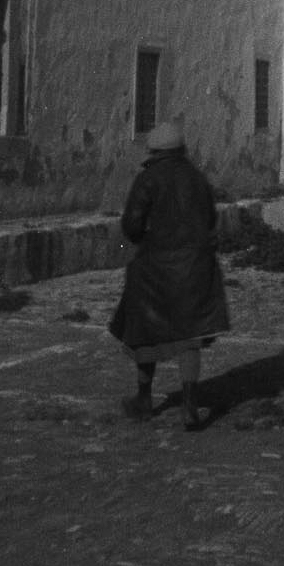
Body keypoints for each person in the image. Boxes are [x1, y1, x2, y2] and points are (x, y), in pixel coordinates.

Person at [109, 116, 230, 430]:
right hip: (195, 267)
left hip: (157, 266)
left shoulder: (149, 179)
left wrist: (144, 238)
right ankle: (190, 405)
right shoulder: (198, 178)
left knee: (144, 330)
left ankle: (144, 398)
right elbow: (209, 220)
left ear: (154, 152)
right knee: (189, 337)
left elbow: (132, 225)